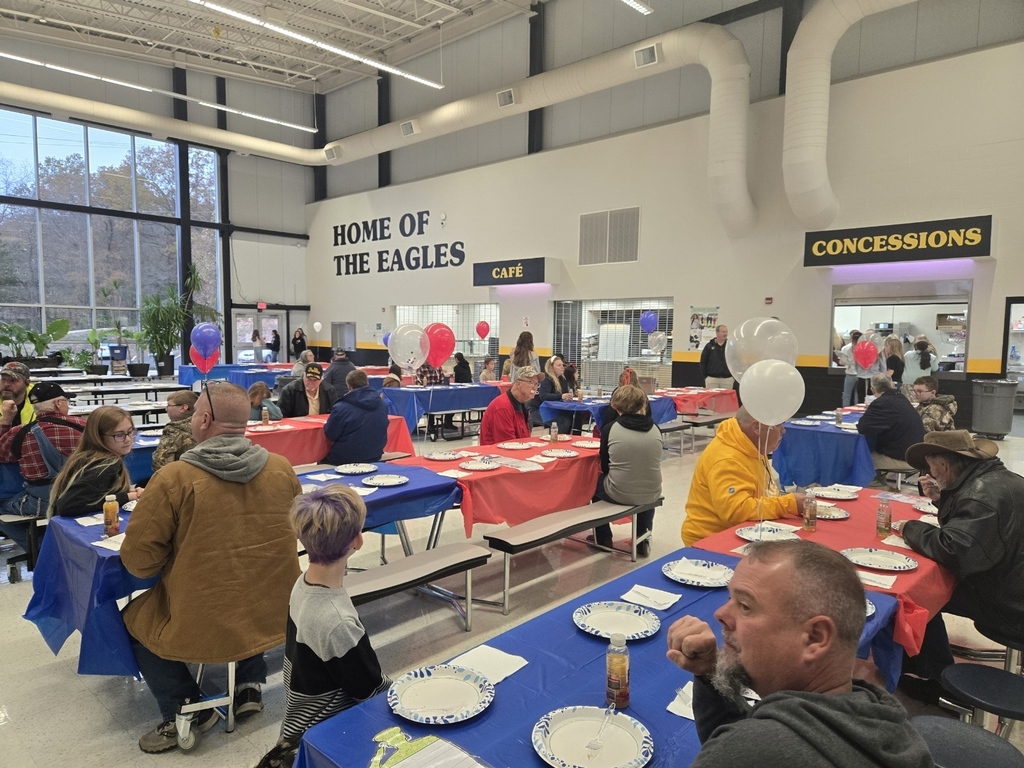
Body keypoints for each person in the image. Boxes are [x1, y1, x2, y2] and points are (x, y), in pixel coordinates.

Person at [120, 381, 301, 753]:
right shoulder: (282, 469)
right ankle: (249, 683)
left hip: (205, 615)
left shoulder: (174, 478)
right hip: (275, 610)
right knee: (249, 584)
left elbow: (140, 563)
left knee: (133, 619)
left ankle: (185, 707)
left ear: (202, 420)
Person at [666, 540, 933, 768]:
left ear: (815, 637)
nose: (721, 615)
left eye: (745, 606)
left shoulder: (748, 753)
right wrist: (711, 672)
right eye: (729, 600)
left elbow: (746, 749)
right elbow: (748, 736)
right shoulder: (879, 716)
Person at [254, 485, 390, 768]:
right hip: (325, 734)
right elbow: (370, 690)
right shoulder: (337, 621)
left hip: (297, 723)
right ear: (358, 540)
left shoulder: (302, 584)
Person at [892, 430, 1024, 694]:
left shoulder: (981, 496)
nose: (930, 473)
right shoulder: (999, 480)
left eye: (931, 467)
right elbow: (974, 535)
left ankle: (933, 678)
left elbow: (956, 550)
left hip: (1010, 606)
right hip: (1011, 583)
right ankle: (928, 665)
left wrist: (910, 528)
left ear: (942, 464)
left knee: (916, 593)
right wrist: (943, 498)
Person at [682, 407, 804, 545]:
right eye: (777, 425)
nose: (783, 430)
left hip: (747, 531)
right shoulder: (727, 459)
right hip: (711, 539)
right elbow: (736, 512)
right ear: (757, 427)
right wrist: (789, 504)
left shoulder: (751, 444)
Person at [0, 381, 85, 549]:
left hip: (41, 502)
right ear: (58, 403)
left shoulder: (20, 432)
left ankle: (38, 547)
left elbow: (2, 455)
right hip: (84, 495)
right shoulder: (86, 426)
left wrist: (5, 420)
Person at [591, 385, 662, 556]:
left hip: (619, 492)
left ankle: (603, 537)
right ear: (642, 405)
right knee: (644, 485)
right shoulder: (655, 429)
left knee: (592, 486)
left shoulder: (610, 429)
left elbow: (605, 464)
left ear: (616, 406)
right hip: (653, 491)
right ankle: (642, 536)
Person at [47, 405, 144, 517]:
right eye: (119, 435)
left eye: (130, 432)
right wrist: (129, 497)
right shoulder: (106, 464)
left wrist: (128, 493)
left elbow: (96, 495)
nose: (128, 439)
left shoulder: (88, 455)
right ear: (98, 437)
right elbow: (68, 505)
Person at [856, 374, 924, 476]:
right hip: (915, 452)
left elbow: (863, 427)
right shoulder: (901, 398)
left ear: (873, 390)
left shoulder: (881, 403)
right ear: (892, 385)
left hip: (904, 457)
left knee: (859, 458)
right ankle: (880, 482)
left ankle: (878, 486)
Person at [323, 370, 389, 465]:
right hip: (375, 453)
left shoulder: (341, 407)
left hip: (345, 457)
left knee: (323, 456)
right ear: (367, 383)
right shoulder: (382, 404)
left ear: (348, 386)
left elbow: (331, 434)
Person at [479, 366, 541, 445]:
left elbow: (524, 439)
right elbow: (508, 446)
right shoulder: (502, 407)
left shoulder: (522, 404)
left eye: (536, 384)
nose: (535, 387)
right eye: (531, 382)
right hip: (497, 455)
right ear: (518, 384)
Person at [151, 390, 199, 471]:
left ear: (183, 408)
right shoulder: (203, 424)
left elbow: (161, 463)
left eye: (169, 405)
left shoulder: (173, 430)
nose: (166, 409)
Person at [529, 355, 576, 433]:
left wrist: (568, 396)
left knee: (573, 415)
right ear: (551, 367)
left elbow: (564, 394)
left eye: (562, 365)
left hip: (553, 409)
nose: (562, 367)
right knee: (562, 421)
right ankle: (556, 442)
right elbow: (544, 396)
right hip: (539, 410)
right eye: (559, 365)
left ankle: (571, 439)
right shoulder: (546, 379)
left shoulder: (562, 379)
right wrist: (561, 396)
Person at [0, 361, 34, 426]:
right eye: (3, 379)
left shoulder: (39, 401)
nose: (6, 384)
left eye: (13, 380)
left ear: (27, 383)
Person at [700, 325, 732, 389]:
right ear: (717, 333)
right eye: (723, 332)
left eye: (726, 332)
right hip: (712, 379)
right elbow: (703, 361)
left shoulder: (730, 346)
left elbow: (734, 361)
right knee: (711, 398)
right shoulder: (709, 346)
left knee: (725, 399)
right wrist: (706, 376)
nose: (725, 334)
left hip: (727, 379)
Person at [839, 330, 863, 406]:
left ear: (851, 338)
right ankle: (857, 412)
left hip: (850, 374)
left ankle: (845, 412)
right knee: (858, 395)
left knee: (847, 395)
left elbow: (841, 362)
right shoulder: (864, 348)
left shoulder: (846, 348)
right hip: (861, 374)